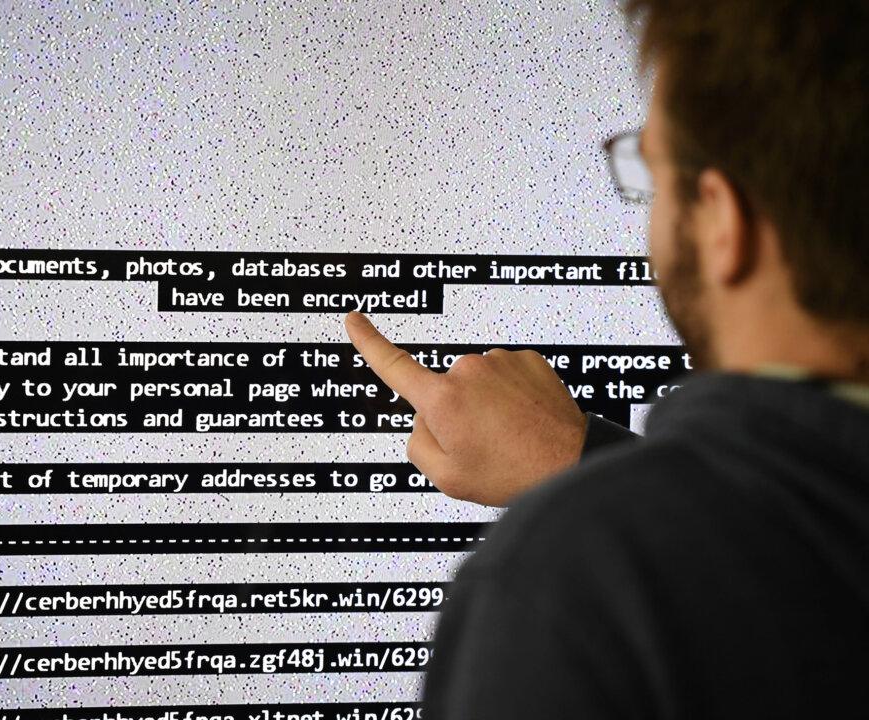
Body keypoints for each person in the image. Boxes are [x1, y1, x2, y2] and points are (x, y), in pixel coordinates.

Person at [344, 0, 869, 716]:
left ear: (721, 219)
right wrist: (589, 464)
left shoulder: (564, 586)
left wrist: (612, 527)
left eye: (651, 173)